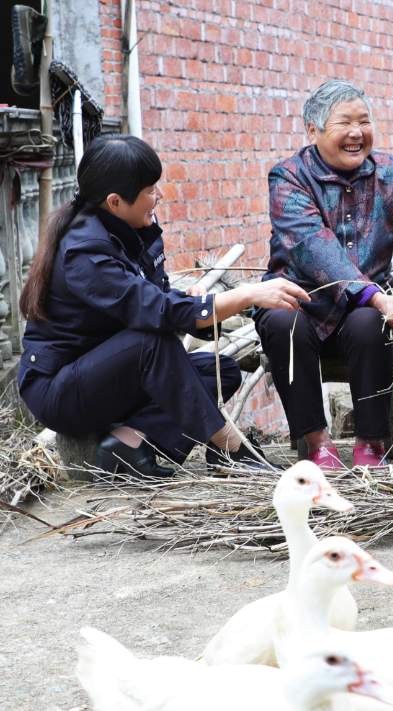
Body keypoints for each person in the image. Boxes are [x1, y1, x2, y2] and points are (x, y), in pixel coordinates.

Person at [17, 135, 309, 477]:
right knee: (150, 343)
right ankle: (229, 446)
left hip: (111, 374)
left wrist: (192, 303)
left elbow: (156, 301)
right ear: (115, 202)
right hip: (61, 391)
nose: (159, 196)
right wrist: (246, 295)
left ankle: (130, 443)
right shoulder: (86, 253)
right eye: (150, 190)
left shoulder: (131, 231)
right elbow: (157, 313)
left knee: (220, 371)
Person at [255, 79, 393, 470]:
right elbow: (313, 246)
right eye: (345, 123)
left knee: (367, 323)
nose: (357, 133)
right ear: (313, 131)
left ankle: (370, 443)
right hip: (304, 300)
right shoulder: (288, 177)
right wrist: (376, 295)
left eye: (364, 121)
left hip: (365, 310)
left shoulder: (386, 172)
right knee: (281, 322)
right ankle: (317, 442)